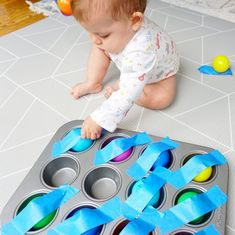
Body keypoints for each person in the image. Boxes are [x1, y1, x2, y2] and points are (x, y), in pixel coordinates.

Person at [70, 0, 179, 140]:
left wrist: (99, 119)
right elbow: (99, 39)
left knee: (162, 99)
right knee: (99, 47)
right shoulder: (120, 25)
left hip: (159, 74)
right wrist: (102, 39)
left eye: (103, 35)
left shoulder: (142, 51)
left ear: (135, 20)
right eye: (90, 32)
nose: (94, 39)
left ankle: (131, 85)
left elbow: (127, 95)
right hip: (131, 64)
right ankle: (93, 82)